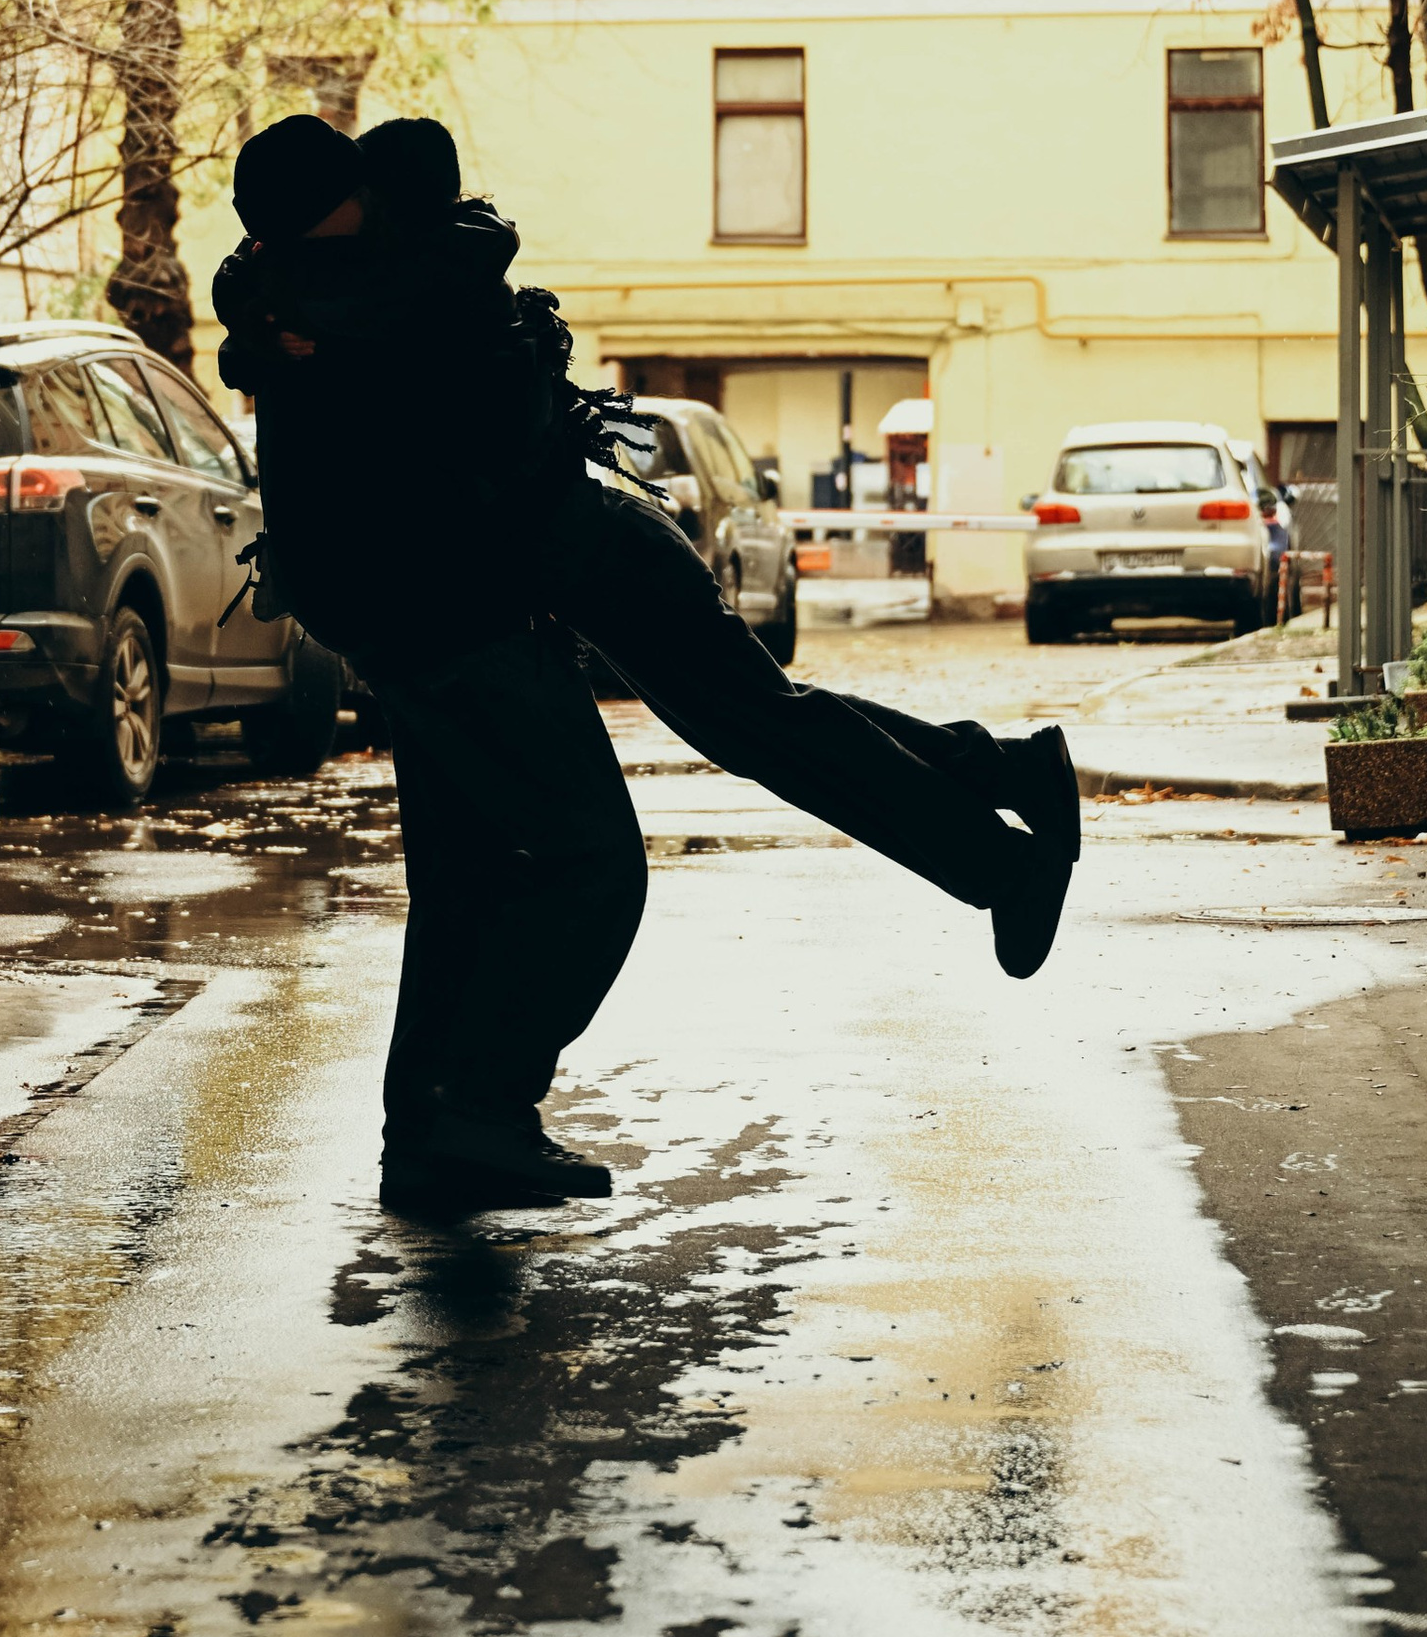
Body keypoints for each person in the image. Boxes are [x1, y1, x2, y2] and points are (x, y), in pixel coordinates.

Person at [217, 116, 1081, 993]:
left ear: (361, 202)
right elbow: (260, 284)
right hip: (578, 556)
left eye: (300, 234)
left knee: (768, 729)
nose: (284, 252)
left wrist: (259, 319)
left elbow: (328, 306)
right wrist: (253, 318)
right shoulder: (355, 278)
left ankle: (1006, 858)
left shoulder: (410, 285)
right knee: (771, 721)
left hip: (601, 555)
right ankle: (1006, 780)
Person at [219, 115, 645, 1214]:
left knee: (458, 889)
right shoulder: (381, 285)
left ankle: (427, 1140)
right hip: (461, 618)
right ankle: (484, 1110)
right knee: (592, 860)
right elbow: (466, 272)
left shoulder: (282, 293)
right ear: (347, 202)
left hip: (393, 627)